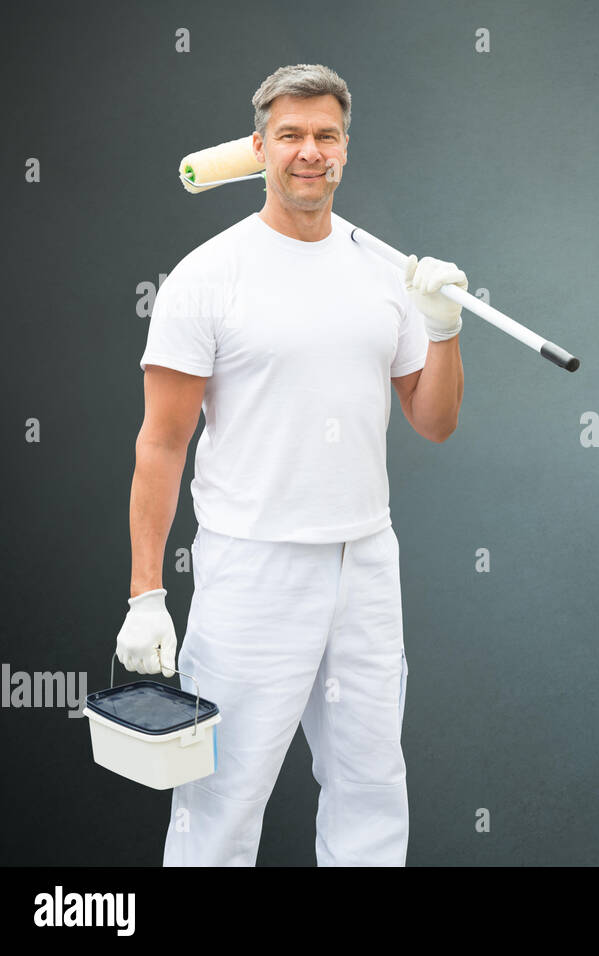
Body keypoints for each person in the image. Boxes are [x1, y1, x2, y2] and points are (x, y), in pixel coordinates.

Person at [115, 63, 466, 866]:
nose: (310, 151)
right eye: (291, 135)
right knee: (221, 801)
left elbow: (434, 421)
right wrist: (145, 594)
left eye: (326, 135)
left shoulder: (385, 273)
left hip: (365, 561)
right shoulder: (209, 276)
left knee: (372, 786)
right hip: (252, 566)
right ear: (259, 147)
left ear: (345, 147)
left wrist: (442, 329)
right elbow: (161, 443)